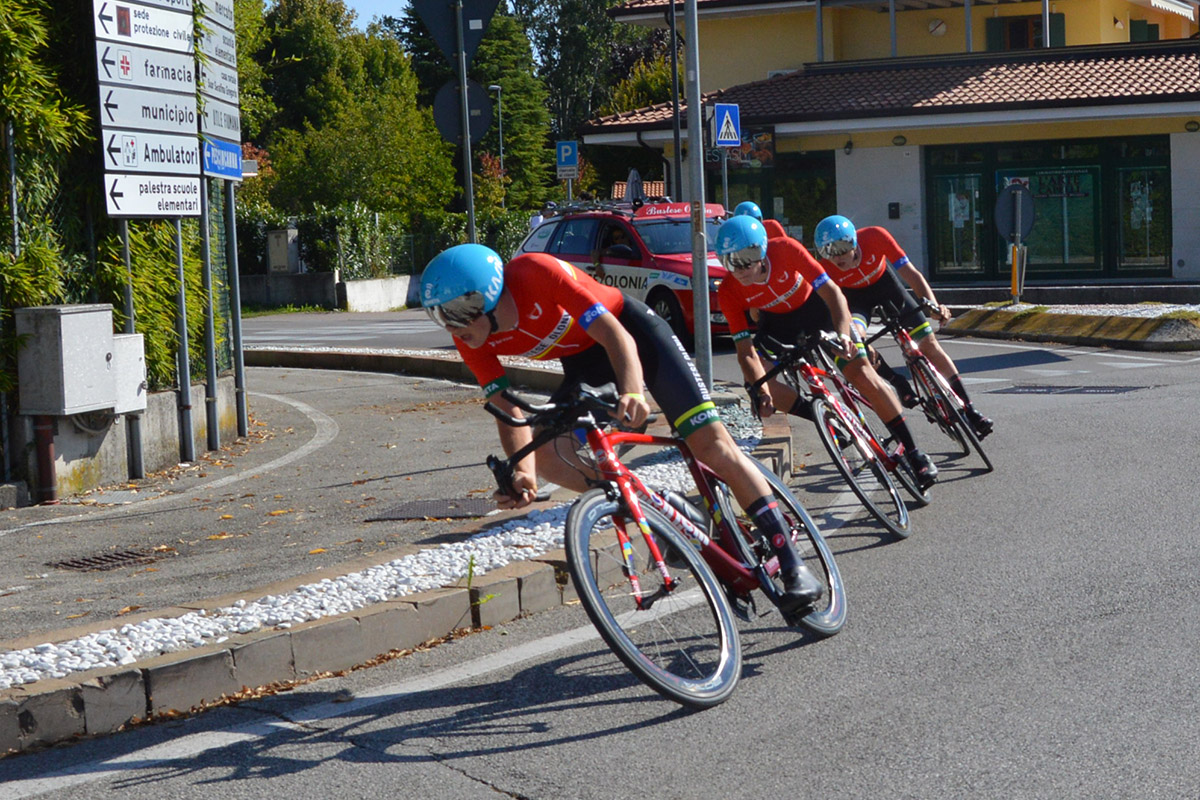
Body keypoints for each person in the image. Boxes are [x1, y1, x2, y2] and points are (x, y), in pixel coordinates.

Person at [420, 243, 824, 613]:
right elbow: (505, 406)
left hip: (633, 334)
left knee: (712, 446)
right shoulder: (472, 339)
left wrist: (632, 392)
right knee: (546, 456)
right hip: (585, 364)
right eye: (437, 317)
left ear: (486, 295)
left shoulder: (536, 272)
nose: (450, 327)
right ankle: (659, 508)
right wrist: (523, 474)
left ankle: (792, 562)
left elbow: (616, 337)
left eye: (453, 314)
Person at [713, 216, 939, 488]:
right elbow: (745, 352)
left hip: (818, 310)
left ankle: (914, 453)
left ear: (761, 250)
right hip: (777, 325)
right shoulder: (728, 290)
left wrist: (843, 335)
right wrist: (761, 393)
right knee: (756, 380)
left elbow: (834, 294)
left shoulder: (786, 249)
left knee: (862, 374)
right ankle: (819, 415)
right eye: (729, 261)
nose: (739, 269)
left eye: (746, 259)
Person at [812, 215, 993, 439]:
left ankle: (971, 410)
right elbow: (836, 307)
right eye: (827, 251)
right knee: (857, 340)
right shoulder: (824, 268)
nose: (836, 256)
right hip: (856, 302)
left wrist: (933, 305)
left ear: (854, 241)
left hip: (887, 288)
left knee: (929, 345)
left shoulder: (875, 237)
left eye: (841, 247)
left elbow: (910, 273)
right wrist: (853, 340)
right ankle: (896, 380)